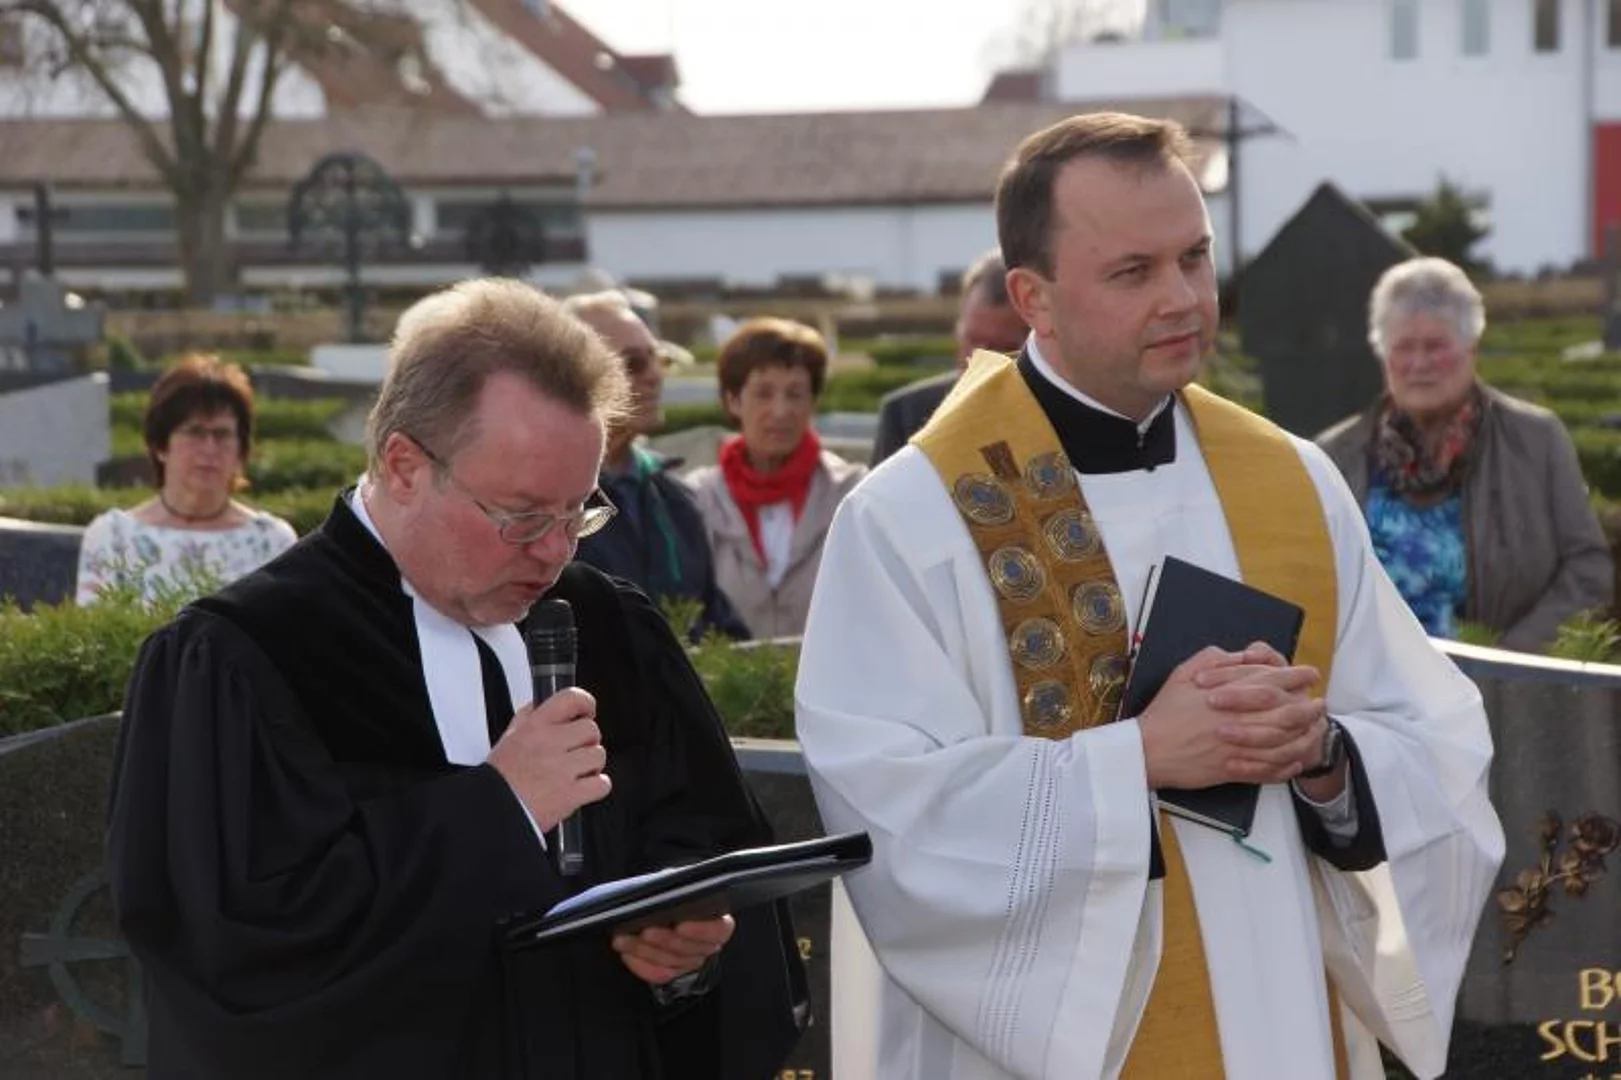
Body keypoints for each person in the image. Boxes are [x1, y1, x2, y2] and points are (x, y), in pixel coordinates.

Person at [795, 113, 1503, 1079]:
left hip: (1276, 1011)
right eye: (1132, 272)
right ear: (1032, 298)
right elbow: (886, 811)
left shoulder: (1289, 480)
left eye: (1194, 258)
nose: (1182, 298)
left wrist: (1325, 757)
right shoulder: (914, 516)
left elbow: (1436, 746)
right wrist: (1136, 759)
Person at [108, 279, 807, 1079]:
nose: (555, 552)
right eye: (522, 516)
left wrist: (686, 958)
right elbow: (234, 955)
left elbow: (711, 850)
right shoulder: (248, 656)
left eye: (578, 513)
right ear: (405, 466)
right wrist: (498, 810)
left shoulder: (611, 628)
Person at [1316, 256, 1613, 652]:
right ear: (1384, 356)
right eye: (1403, 347)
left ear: (1471, 348)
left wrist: (1509, 661)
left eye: (1436, 346)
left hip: (1500, 679)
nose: (1419, 363)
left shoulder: (1537, 440)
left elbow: (1588, 567)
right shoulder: (1335, 454)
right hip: (1370, 681)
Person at [566, 290, 750, 640]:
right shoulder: (545, 507)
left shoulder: (677, 499)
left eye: (658, 359)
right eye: (634, 363)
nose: (655, 376)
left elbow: (718, 627)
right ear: (577, 377)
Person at [685, 317, 866, 639]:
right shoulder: (696, 500)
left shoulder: (853, 493)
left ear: (813, 401)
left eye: (795, 394)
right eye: (763, 393)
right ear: (733, 400)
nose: (781, 411)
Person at [75, 355, 296, 605]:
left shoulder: (272, 543)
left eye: (222, 434)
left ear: (241, 449)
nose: (210, 448)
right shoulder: (112, 539)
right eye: (195, 432)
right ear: (161, 445)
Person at [869, 250, 1030, 465]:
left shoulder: (1061, 416)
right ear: (958, 328)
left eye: (1001, 347)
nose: (978, 359)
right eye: (973, 340)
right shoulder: (905, 417)